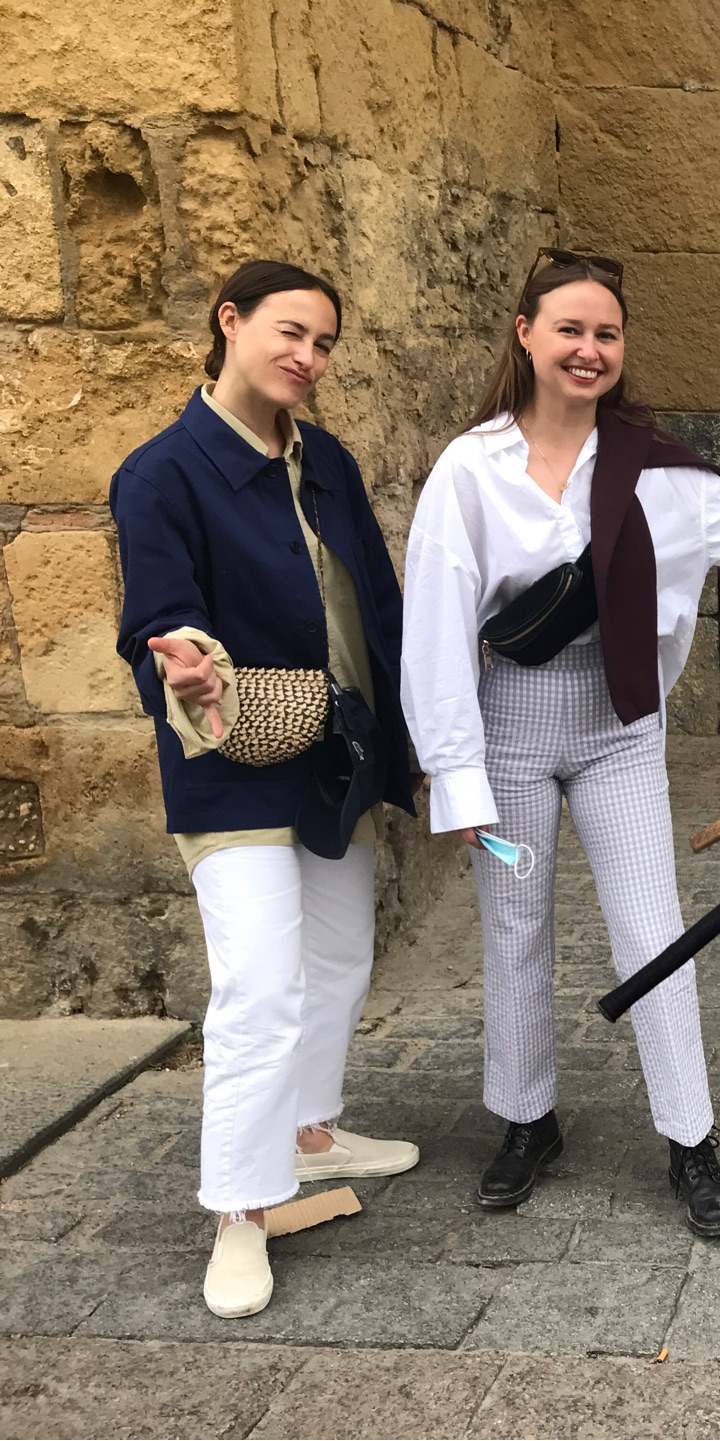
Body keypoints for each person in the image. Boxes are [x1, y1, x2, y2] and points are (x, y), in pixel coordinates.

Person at [401, 248, 720, 1236]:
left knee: (653, 929)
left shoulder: (656, 469)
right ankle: (527, 1120)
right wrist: (455, 778)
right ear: (527, 335)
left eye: (605, 333)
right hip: (507, 737)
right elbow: (437, 626)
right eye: (569, 329)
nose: (588, 348)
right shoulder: (470, 469)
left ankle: (690, 1138)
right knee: (515, 924)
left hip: (620, 730)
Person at [111, 260, 421, 1320]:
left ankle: (307, 1131)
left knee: (339, 954)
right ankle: (239, 1210)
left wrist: (412, 753)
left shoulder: (324, 457)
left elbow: (375, 603)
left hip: (334, 751)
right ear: (229, 321)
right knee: (259, 986)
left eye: (325, 343)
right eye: (291, 332)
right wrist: (184, 663)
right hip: (235, 761)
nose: (307, 357)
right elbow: (155, 612)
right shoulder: (161, 474)